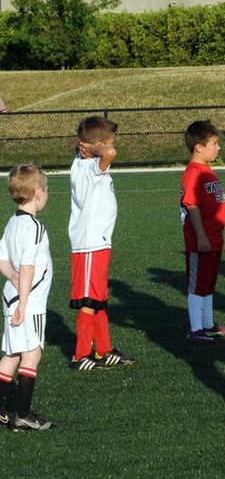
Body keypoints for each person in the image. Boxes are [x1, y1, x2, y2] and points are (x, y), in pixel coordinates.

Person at [68, 116, 135, 370]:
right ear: (95, 145)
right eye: (109, 141)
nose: (112, 145)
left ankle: (103, 349)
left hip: (99, 243)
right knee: (88, 300)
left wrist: (90, 147)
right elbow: (110, 153)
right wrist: (94, 147)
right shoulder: (87, 167)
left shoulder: (86, 162)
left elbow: (105, 151)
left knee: (98, 298)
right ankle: (81, 355)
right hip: (89, 244)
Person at [0, 164, 55, 430]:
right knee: (31, 354)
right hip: (28, 301)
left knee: (12, 354)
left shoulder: (13, 222)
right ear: (38, 193)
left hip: (11, 297)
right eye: (45, 190)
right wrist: (23, 303)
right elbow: (29, 267)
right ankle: (22, 415)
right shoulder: (34, 227)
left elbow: (2, 258)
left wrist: (12, 277)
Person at [180, 120, 225, 344]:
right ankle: (195, 329)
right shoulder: (194, 172)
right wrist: (201, 236)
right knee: (198, 284)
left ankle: (208, 324)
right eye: (214, 143)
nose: (218, 148)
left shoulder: (205, 169)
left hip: (214, 238)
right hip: (201, 240)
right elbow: (192, 205)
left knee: (209, 283)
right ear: (199, 147)